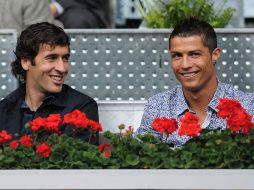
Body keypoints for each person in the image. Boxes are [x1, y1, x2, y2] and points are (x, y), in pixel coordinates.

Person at [135, 17, 254, 147]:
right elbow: (140, 155)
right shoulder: (157, 106)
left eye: (194, 54)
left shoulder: (248, 106)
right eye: (177, 55)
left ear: (215, 55)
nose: (185, 65)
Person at [0, 22, 99, 144]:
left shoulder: (81, 108)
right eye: (51, 58)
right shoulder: (5, 108)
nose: (62, 68)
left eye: (65, 58)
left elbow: (75, 160)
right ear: (26, 62)